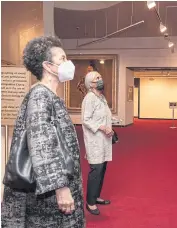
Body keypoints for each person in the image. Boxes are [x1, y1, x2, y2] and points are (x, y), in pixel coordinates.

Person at [1, 36, 85, 228]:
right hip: (49, 199)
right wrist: (60, 188)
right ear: (48, 66)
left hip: (51, 192)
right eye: (62, 59)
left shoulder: (47, 95)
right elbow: (42, 144)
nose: (68, 63)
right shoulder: (40, 95)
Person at [81, 71, 113, 215]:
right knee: (96, 170)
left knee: (102, 169)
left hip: (104, 139)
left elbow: (104, 116)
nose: (100, 80)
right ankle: (90, 202)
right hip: (95, 140)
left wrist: (110, 128)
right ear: (90, 83)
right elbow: (86, 120)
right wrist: (102, 127)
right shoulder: (89, 98)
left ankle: (96, 196)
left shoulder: (101, 97)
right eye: (97, 78)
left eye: (100, 77)